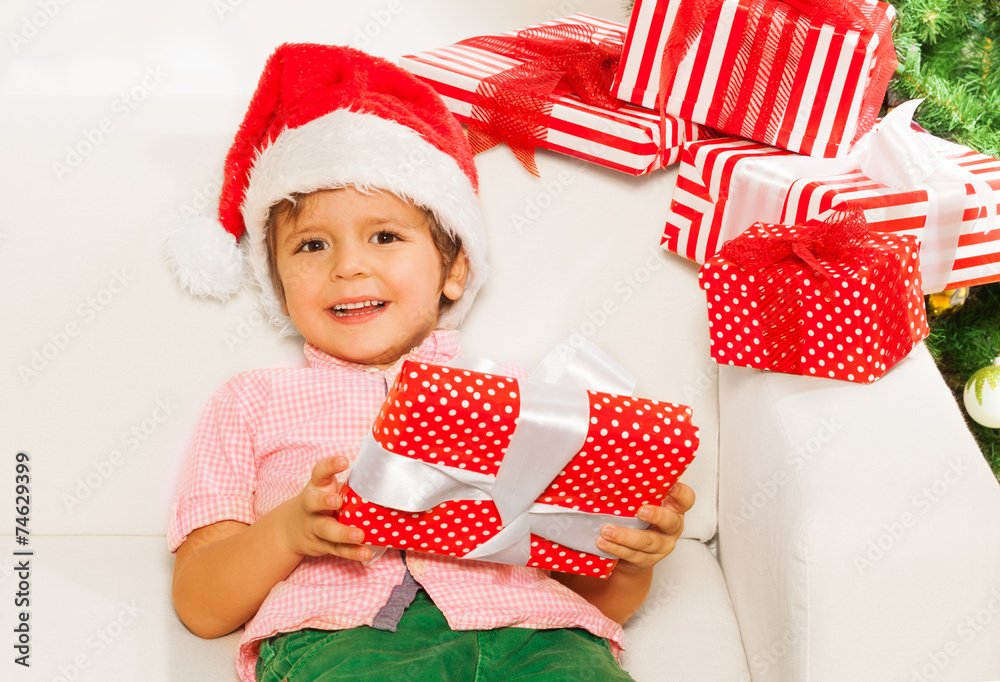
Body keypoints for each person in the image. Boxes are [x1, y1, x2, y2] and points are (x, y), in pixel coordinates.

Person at [165, 42, 695, 682]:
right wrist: (289, 533)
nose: (349, 265)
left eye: (385, 236)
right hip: (346, 639)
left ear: (454, 269)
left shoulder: (521, 395)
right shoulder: (251, 399)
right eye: (312, 244)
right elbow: (200, 604)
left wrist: (633, 557)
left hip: (537, 633)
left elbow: (596, 597)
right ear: (277, 281)